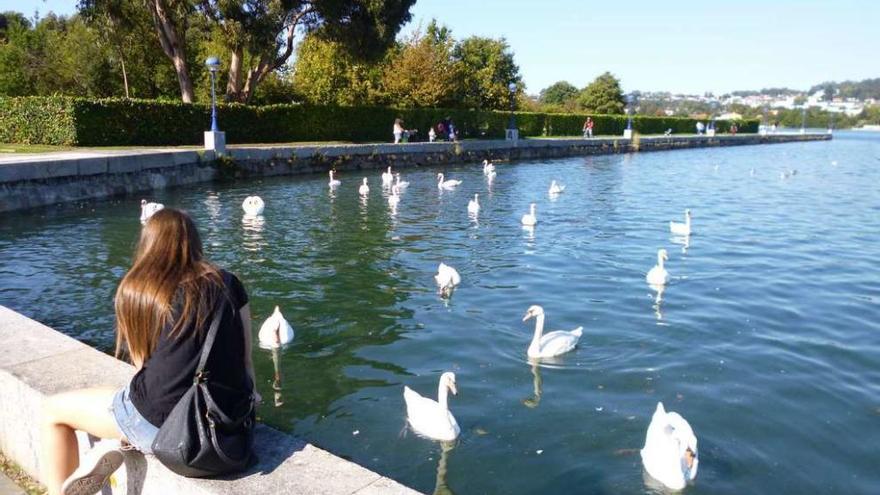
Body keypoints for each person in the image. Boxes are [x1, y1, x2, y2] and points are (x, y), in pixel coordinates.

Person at [41, 208, 256, 495]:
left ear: (148, 243)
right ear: (194, 242)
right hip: (227, 429)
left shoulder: (138, 289)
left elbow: (142, 367)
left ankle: (119, 443)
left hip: (160, 427)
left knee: (53, 411)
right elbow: (246, 363)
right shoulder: (229, 283)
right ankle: (121, 442)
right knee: (128, 398)